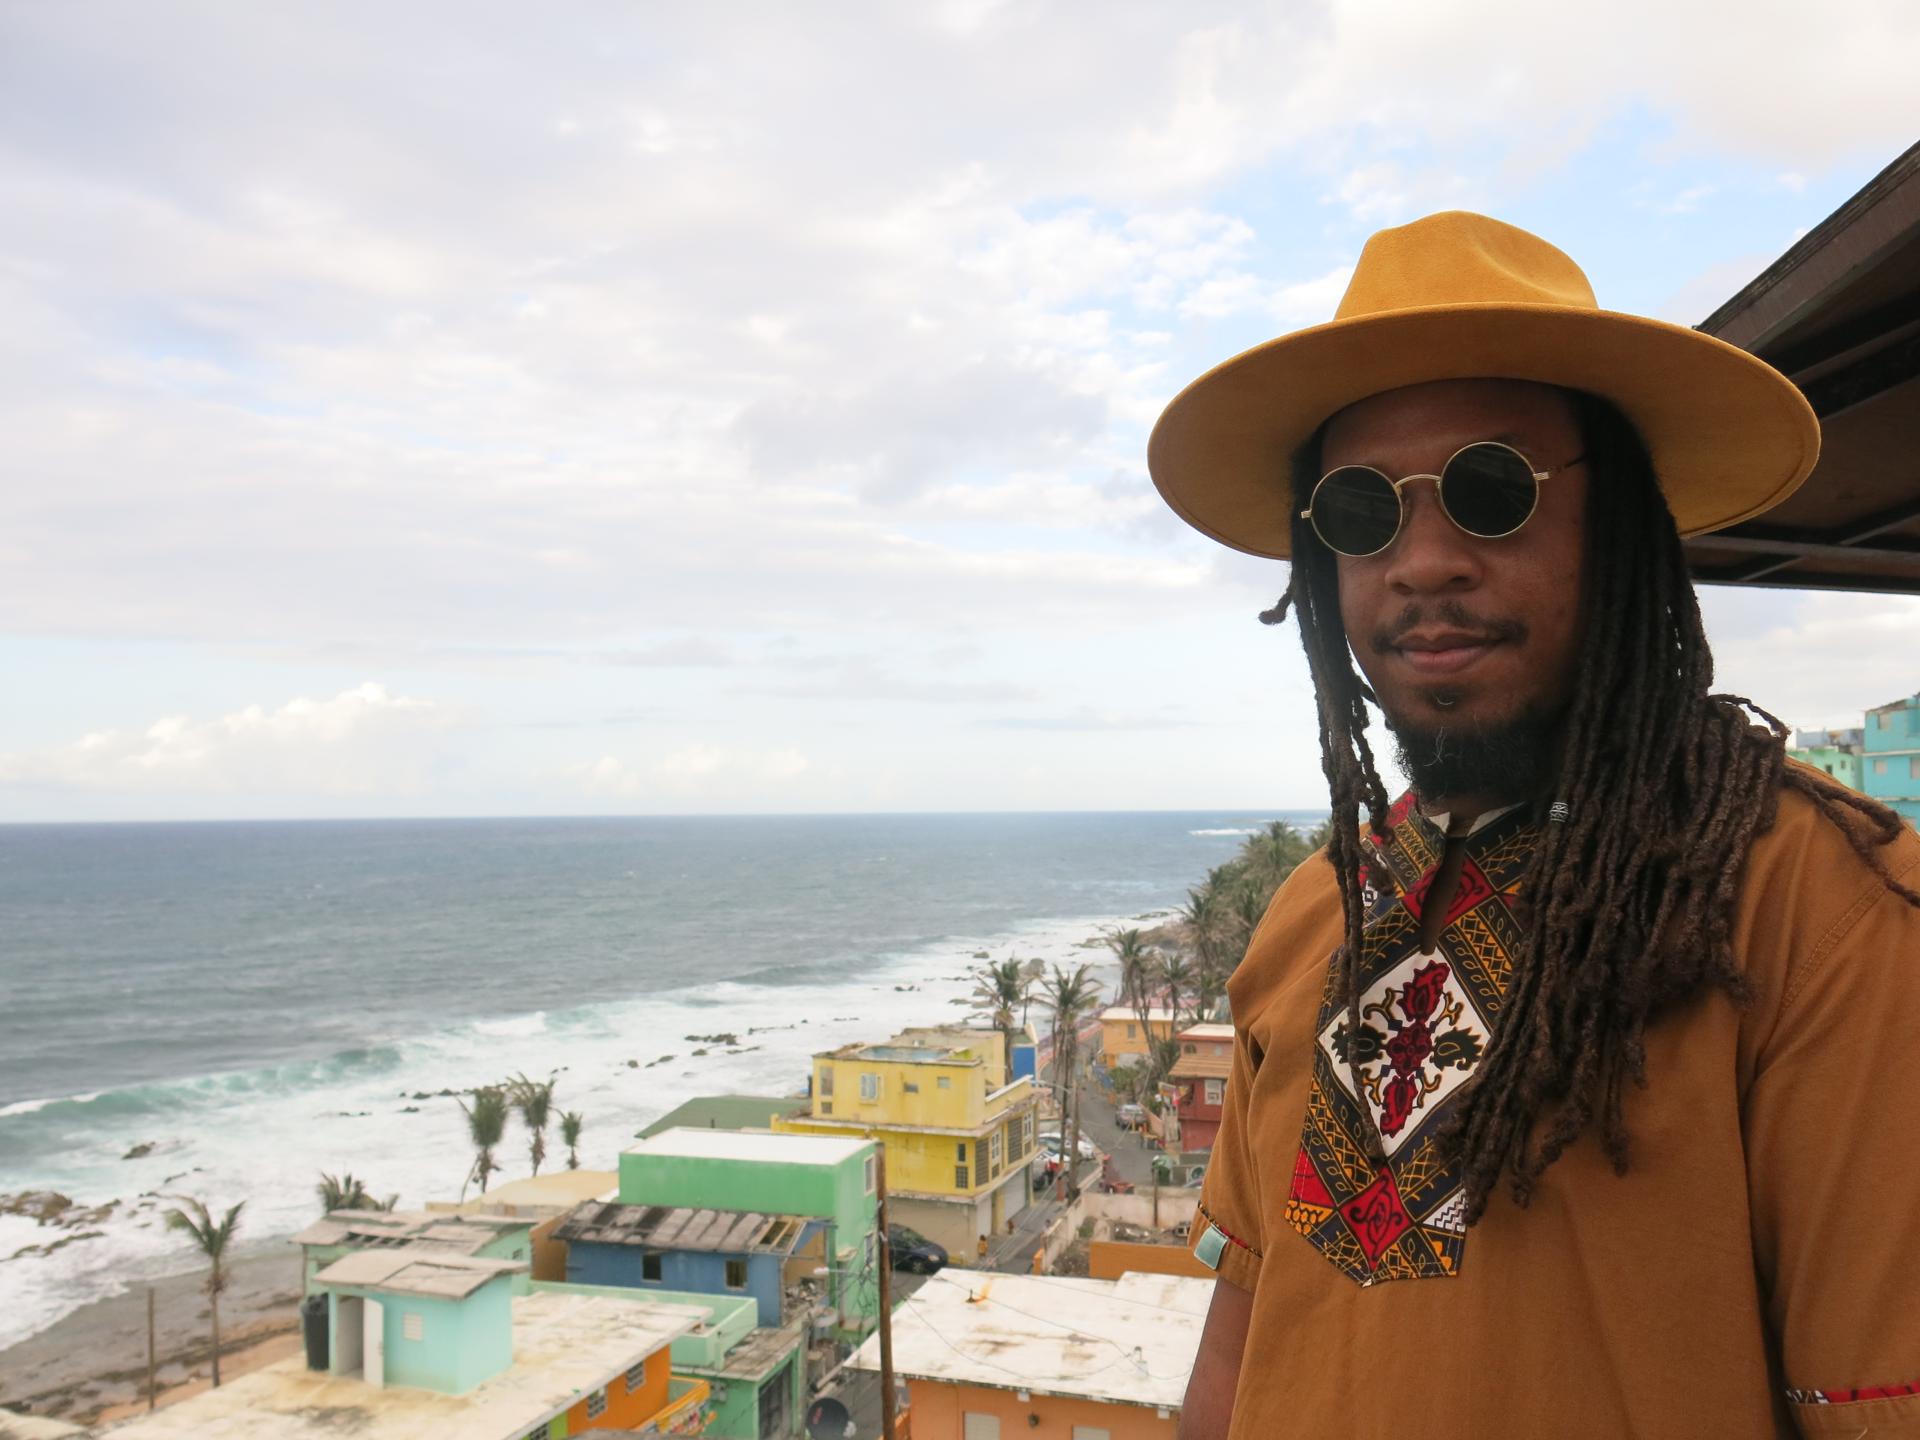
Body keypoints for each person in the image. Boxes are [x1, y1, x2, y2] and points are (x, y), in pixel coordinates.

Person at [1147, 212, 1920, 1439]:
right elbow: (1244, 1336)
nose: (1423, 561)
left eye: (1491, 490)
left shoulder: (1810, 906)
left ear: (1617, 527)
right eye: (1360, 513)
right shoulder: (1317, 912)